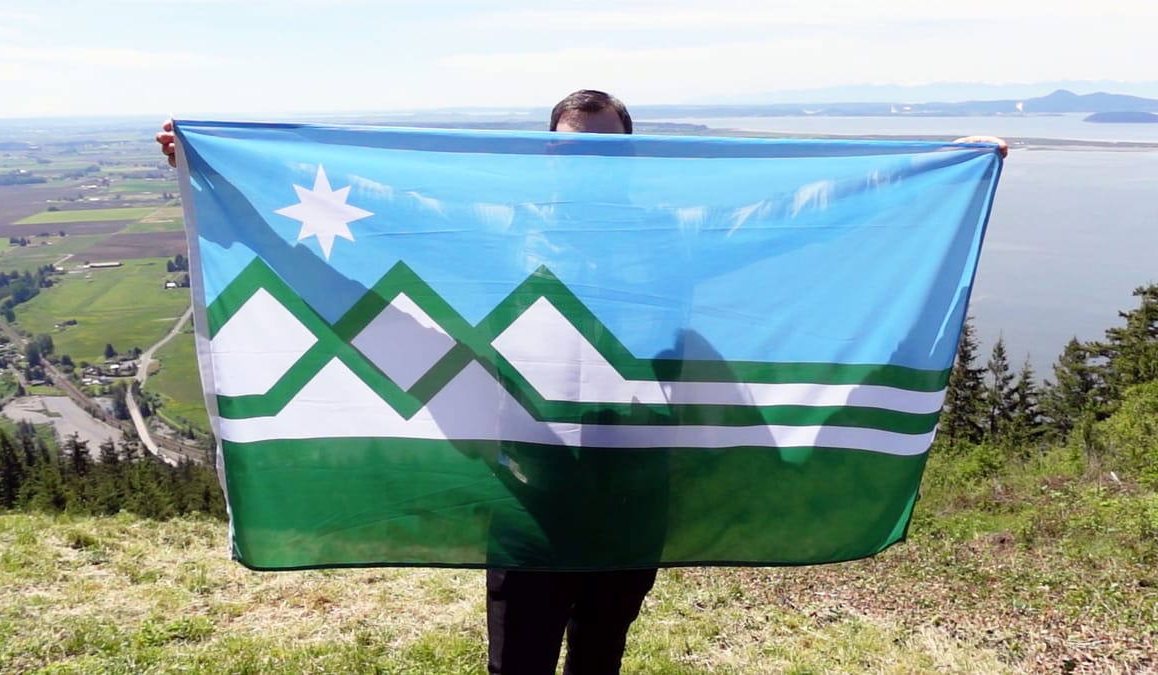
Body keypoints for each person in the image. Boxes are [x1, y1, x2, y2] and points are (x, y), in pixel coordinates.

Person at [156, 91, 1006, 675]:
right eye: (570, 152)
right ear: (547, 158)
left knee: (601, 654)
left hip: (635, 483)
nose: (586, 165)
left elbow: (788, 211)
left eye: (605, 150)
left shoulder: (676, 232)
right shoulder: (504, 231)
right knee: (515, 657)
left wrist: (940, 166)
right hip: (528, 481)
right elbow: (381, 209)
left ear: (631, 157)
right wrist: (209, 170)